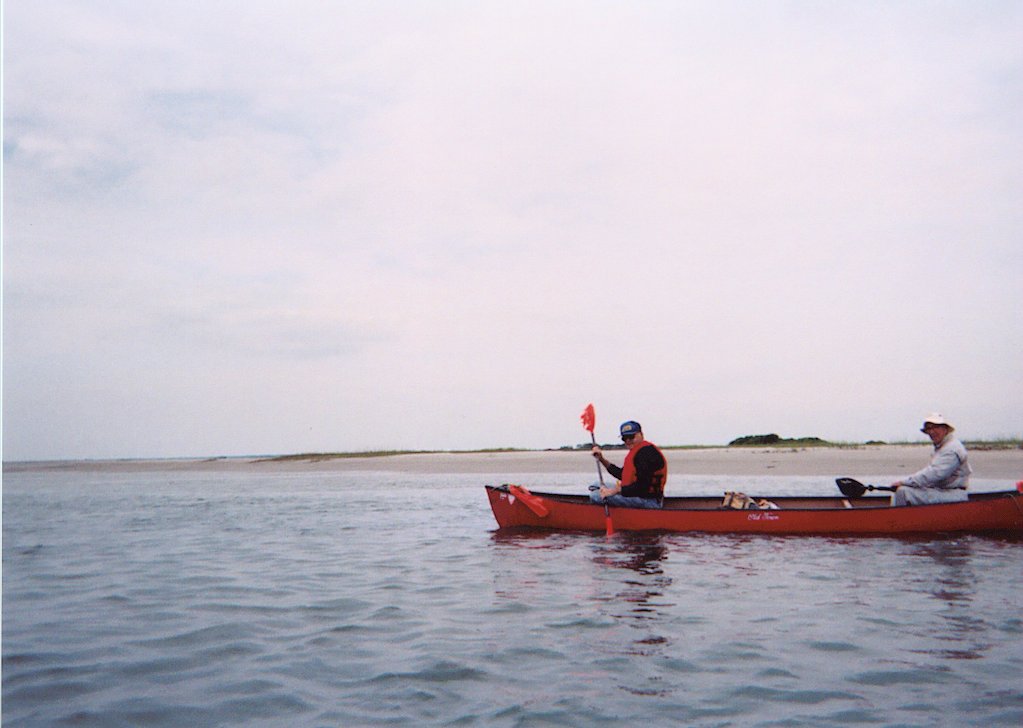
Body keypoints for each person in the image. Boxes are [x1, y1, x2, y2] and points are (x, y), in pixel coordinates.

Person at [890, 413, 971, 506]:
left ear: (945, 429)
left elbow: (933, 474)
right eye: (929, 429)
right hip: (943, 492)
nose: (931, 432)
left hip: (953, 495)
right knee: (905, 490)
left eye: (935, 427)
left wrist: (903, 482)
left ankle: (898, 519)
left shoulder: (952, 449)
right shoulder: (944, 446)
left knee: (903, 492)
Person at [589, 420, 667, 509]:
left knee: (595, 495)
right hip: (637, 495)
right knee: (596, 485)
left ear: (641, 434)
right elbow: (622, 474)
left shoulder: (646, 454)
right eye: (624, 438)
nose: (628, 441)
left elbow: (642, 487)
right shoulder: (638, 451)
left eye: (631, 437)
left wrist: (614, 491)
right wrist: (601, 459)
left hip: (649, 501)